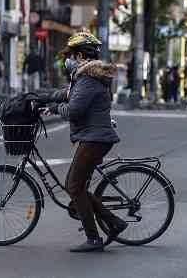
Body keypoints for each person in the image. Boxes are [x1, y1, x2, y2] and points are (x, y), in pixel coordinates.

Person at [42, 31, 125, 253]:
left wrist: (53, 108)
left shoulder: (88, 78)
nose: (66, 59)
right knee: (77, 185)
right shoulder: (85, 76)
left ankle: (95, 238)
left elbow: (75, 110)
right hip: (93, 137)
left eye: (70, 55)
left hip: (95, 139)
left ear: (80, 56)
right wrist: (43, 97)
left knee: (73, 185)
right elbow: (69, 94)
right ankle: (114, 222)